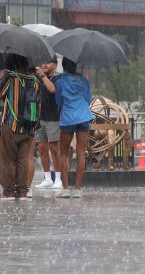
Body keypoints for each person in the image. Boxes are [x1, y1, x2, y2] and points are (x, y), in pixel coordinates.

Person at [0, 54, 40, 201]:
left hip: (11, 123)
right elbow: (38, 103)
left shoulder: (10, 77)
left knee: (7, 159)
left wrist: (0, 79)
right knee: (22, 159)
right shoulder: (35, 80)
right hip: (28, 126)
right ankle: (22, 191)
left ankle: (8, 192)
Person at [55, 58, 93, 199]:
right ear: (76, 66)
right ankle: (77, 190)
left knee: (63, 153)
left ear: (63, 66)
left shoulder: (60, 82)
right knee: (81, 153)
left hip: (68, 119)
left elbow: (59, 101)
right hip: (84, 117)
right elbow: (88, 99)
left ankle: (65, 189)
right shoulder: (84, 80)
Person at [32, 59, 62, 190]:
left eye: (48, 62)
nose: (44, 64)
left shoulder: (57, 79)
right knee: (42, 148)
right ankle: (47, 178)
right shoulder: (38, 80)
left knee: (54, 149)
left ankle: (59, 179)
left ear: (54, 65)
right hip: (41, 118)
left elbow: (53, 90)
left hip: (53, 118)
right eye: (42, 62)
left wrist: (43, 76)